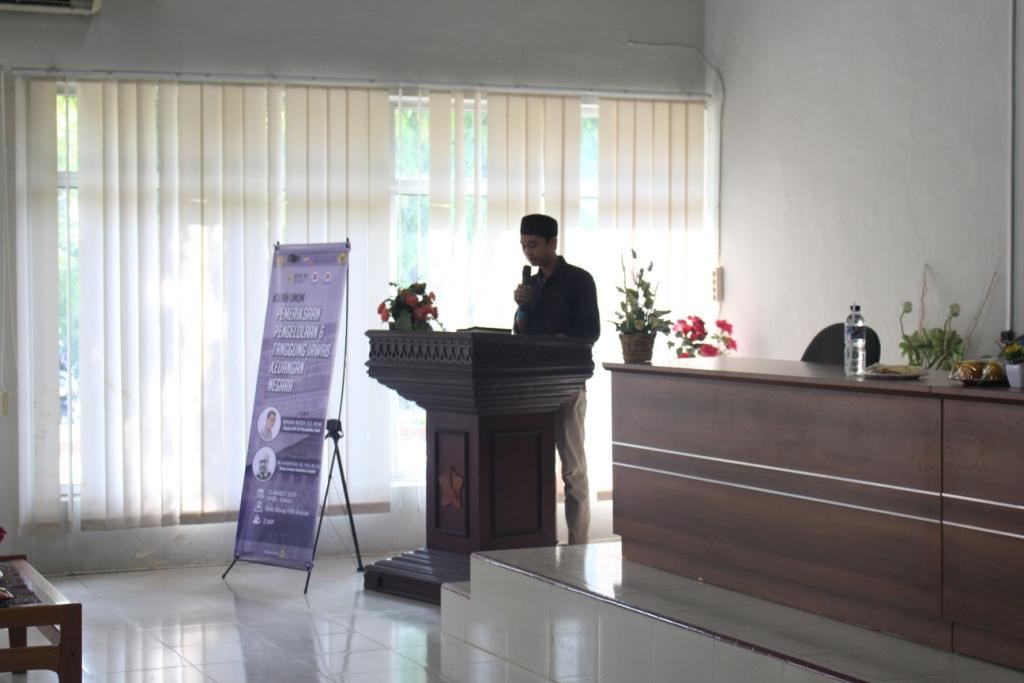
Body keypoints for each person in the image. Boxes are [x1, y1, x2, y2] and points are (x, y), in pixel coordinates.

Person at [513, 213, 600, 544]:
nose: (528, 252)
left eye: (533, 245)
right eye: (523, 246)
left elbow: (589, 331)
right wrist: (522, 308)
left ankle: (578, 545)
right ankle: (540, 542)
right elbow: (521, 334)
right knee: (536, 469)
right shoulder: (532, 285)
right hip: (534, 386)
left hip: (567, 385)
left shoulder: (579, 280)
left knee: (572, 470)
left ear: (553, 243)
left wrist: (552, 340)